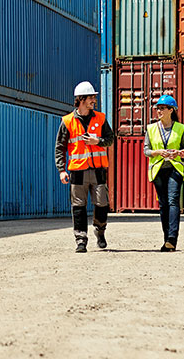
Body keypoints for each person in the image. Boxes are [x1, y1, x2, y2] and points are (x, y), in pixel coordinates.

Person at [55, 81, 114, 253]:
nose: (94, 100)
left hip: (98, 170)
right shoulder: (68, 121)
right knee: (78, 207)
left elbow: (111, 138)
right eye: (91, 97)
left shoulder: (101, 118)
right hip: (77, 170)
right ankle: (81, 240)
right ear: (81, 99)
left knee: (102, 204)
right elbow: (60, 147)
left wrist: (99, 141)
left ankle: (100, 231)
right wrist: (61, 170)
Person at [143, 94, 184, 251]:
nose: (159, 111)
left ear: (171, 110)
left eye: (162, 108)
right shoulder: (151, 128)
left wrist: (180, 152)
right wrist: (157, 152)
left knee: (172, 200)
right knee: (163, 204)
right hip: (158, 169)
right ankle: (166, 238)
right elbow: (146, 151)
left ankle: (172, 238)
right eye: (158, 108)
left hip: (175, 169)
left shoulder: (180, 128)